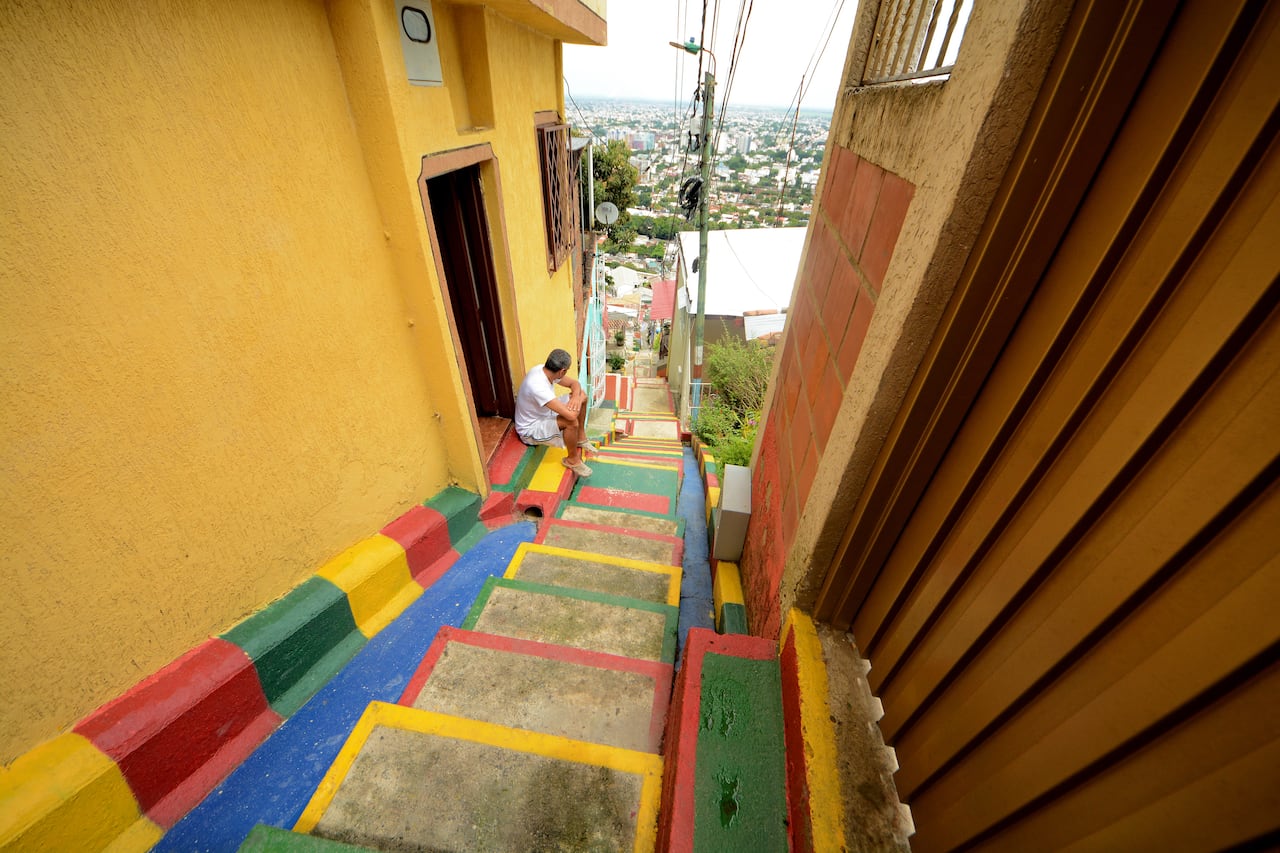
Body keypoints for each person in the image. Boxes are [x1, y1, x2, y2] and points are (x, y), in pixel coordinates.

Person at [514, 348, 593, 477]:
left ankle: (580, 437)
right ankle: (572, 460)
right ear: (562, 371)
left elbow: (575, 383)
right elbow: (571, 416)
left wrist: (576, 397)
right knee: (570, 422)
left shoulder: (545, 370)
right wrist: (577, 398)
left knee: (582, 395)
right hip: (531, 429)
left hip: (546, 413)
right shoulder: (537, 386)